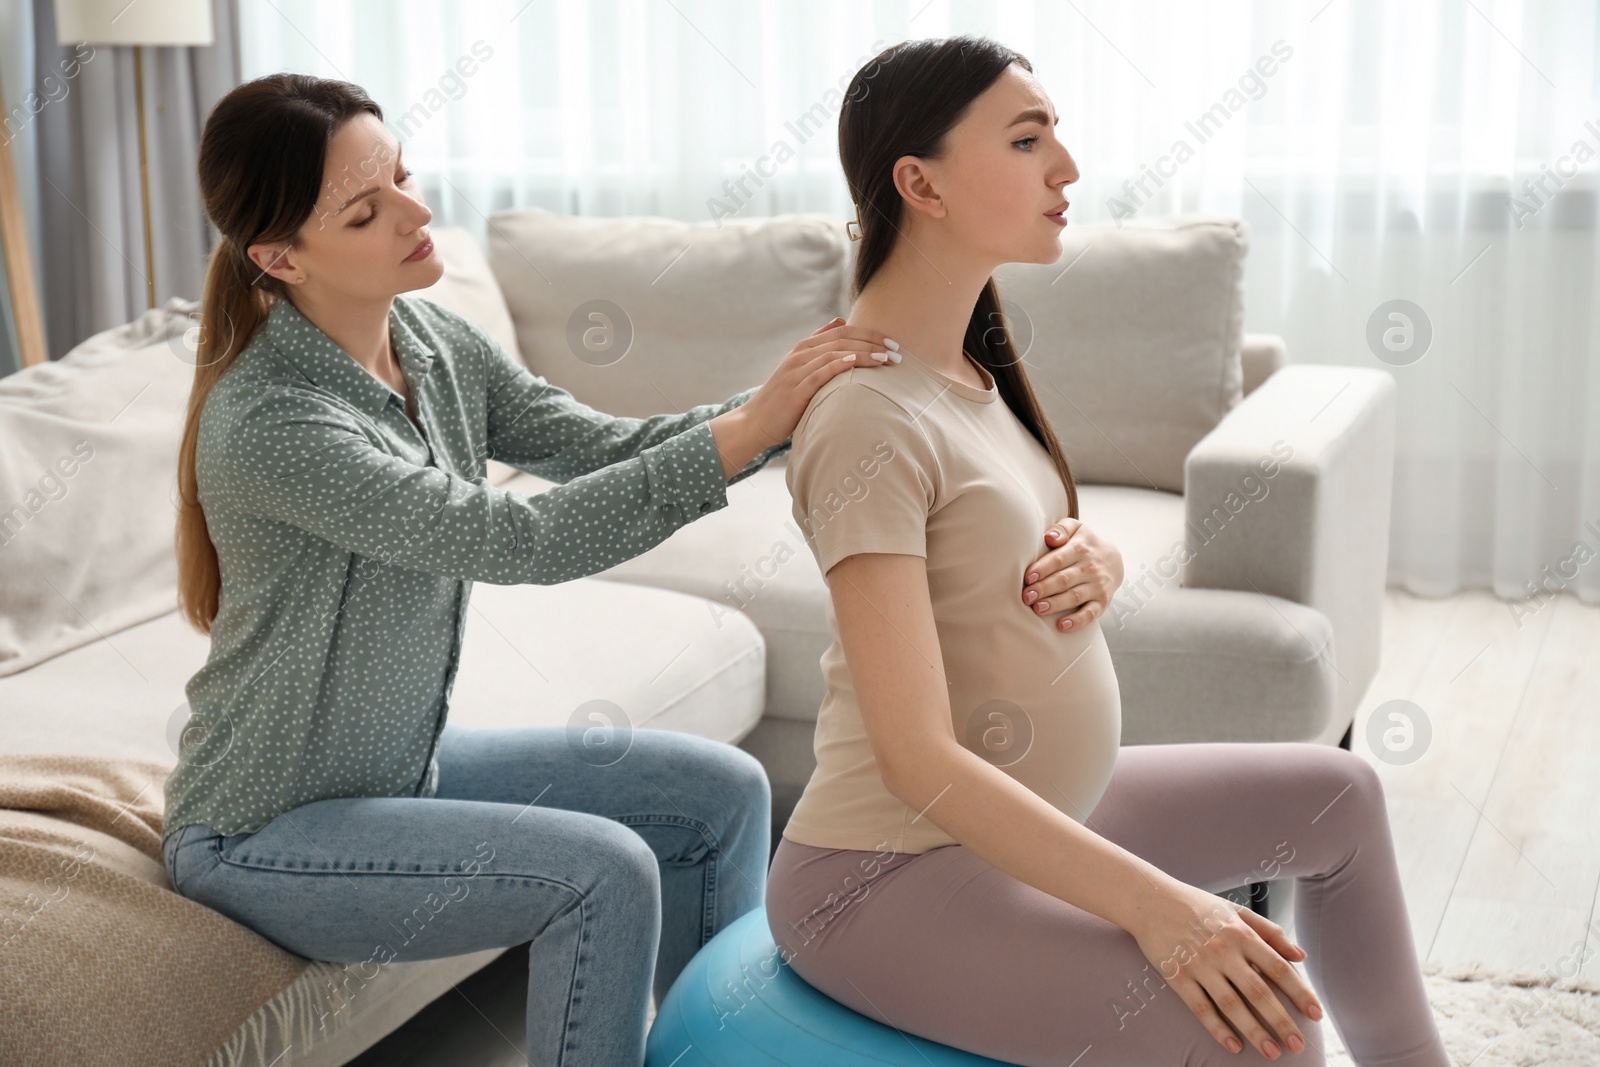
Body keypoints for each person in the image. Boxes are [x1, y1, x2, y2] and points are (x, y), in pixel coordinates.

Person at [158, 73, 908, 1067]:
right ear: (279, 256)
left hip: (400, 770)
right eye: (366, 209)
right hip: (265, 830)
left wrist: (777, 407)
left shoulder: (428, 340)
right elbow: (517, 540)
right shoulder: (278, 423)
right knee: (601, 870)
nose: (418, 213)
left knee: (721, 794)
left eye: (405, 178)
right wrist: (741, 435)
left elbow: (594, 445)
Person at [765, 36, 1452, 1067]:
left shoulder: (968, 371)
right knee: (1259, 1028)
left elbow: (992, 545)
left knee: (1338, 796)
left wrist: (1101, 559)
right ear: (921, 183)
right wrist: (1164, 907)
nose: (1068, 168)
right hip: (890, 873)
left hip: (1038, 809)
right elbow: (913, 757)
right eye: (1028, 138)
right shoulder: (867, 416)